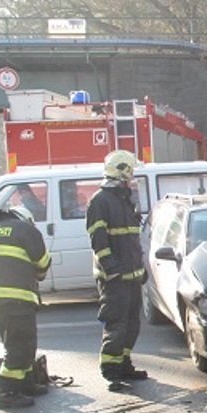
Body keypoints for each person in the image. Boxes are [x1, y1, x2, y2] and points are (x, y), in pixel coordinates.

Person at [0, 205, 52, 409]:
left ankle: (23, 385)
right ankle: (5, 392)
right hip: (19, 298)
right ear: (25, 218)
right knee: (19, 347)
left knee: (18, 344)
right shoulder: (27, 231)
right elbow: (43, 263)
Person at [86, 150, 149, 392]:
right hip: (114, 279)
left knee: (132, 324)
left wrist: (140, 268)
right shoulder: (100, 201)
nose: (134, 178)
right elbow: (99, 241)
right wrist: (111, 269)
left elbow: (132, 241)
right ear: (122, 172)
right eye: (131, 173)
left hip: (131, 276)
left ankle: (123, 363)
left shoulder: (125, 200)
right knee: (117, 323)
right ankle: (111, 370)